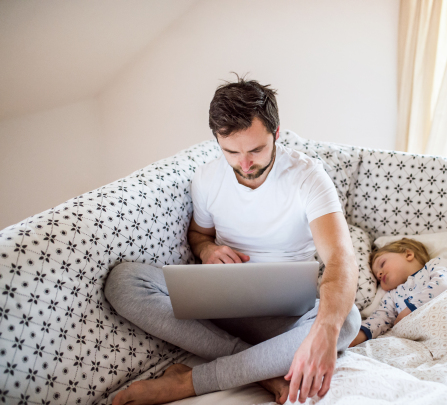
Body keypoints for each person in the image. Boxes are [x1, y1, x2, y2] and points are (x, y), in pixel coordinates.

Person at [104, 76, 361, 405]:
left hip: (284, 315)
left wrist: (325, 330)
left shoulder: (308, 178)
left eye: (256, 149)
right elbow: (199, 235)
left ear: (276, 134)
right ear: (217, 140)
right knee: (124, 281)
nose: (245, 163)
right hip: (221, 303)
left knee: (346, 319)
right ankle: (260, 369)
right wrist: (207, 249)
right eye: (232, 152)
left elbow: (341, 258)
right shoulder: (208, 179)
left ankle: (189, 382)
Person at [349, 238, 447, 347]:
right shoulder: (392, 296)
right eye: (377, 278)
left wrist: (411, 308)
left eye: (382, 264)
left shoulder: (435, 265)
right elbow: (380, 318)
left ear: (408, 254)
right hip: (431, 338)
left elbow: (444, 284)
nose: (379, 274)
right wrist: (358, 335)